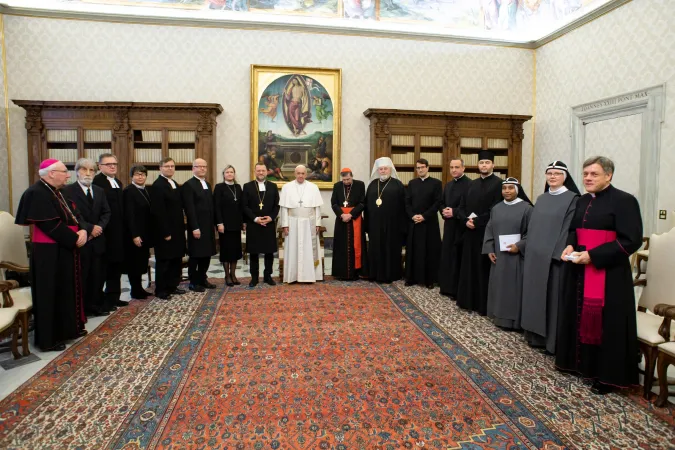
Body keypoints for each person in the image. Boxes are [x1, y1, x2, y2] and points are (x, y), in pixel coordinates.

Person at [556, 156, 643, 395]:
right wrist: (570, 246)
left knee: (607, 323)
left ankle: (607, 376)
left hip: (609, 273)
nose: (588, 178)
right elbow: (574, 229)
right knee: (577, 315)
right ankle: (579, 364)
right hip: (580, 269)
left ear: (609, 175)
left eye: (594, 174)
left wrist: (593, 255)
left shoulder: (625, 201)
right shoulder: (583, 200)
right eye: (585, 174)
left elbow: (631, 240)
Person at [15, 159, 88, 351]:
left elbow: (76, 215)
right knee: (50, 294)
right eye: (64, 171)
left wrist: (82, 231)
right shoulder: (36, 193)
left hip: (65, 248)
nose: (68, 175)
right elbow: (49, 225)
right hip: (49, 252)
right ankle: (49, 339)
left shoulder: (59, 192)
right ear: (51, 173)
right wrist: (74, 238)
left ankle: (67, 330)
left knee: (65, 291)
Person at [521, 161, 580, 353]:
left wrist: (555, 254)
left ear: (565, 176)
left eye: (557, 173)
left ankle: (551, 342)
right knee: (534, 297)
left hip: (552, 259)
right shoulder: (541, 198)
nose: (552, 177)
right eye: (549, 173)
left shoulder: (573, 199)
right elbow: (533, 227)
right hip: (534, 256)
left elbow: (569, 230)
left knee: (551, 300)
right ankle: (534, 336)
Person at [456, 150, 503, 315]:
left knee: (482, 268)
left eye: (487, 163)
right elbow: (461, 207)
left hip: (486, 233)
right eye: (481, 163)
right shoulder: (472, 184)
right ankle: (467, 301)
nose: (484, 165)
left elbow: (495, 209)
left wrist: (476, 222)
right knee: (468, 266)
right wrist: (465, 220)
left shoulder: (499, 184)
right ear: (478, 165)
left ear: (493, 165)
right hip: (469, 232)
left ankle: (482, 304)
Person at [482, 177, 533, 330]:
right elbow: (489, 229)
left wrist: (519, 246)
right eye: (504, 188)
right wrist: (490, 249)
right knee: (498, 286)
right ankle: (498, 317)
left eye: (511, 188)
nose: (507, 191)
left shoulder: (527, 208)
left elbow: (532, 232)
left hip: (517, 257)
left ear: (517, 190)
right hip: (499, 256)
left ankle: (514, 321)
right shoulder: (496, 208)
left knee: (513, 288)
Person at [63, 158, 111, 316]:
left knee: (98, 275)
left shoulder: (99, 190)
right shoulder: (67, 191)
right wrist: (90, 228)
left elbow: (106, 212)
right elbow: (71, 216)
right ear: (76, 172)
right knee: (82, 277)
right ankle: (81, 309)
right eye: (84, 170)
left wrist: (99, 228)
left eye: (91, 170)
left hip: (98, 240)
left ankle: (95, 305)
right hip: (81, 240)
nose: (88, 173)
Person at [364, 157, 407, 283]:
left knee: (390, 249)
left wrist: (402, 227)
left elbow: (404, 206)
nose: (383, 171)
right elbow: (366, 206)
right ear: (378, 170)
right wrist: (367, 225)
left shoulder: (397, 184)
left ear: (390, 169)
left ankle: (391, 274)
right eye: (381, 169)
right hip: (375, 225)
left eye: (385, 169)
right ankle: (374, 274)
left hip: (392, 226)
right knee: (375, 249)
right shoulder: (372, 184)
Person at [149, 157, 187, 300]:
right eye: (167, 166)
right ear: (160, 168)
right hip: (165, 232)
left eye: (172, 166)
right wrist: (165, 232)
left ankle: (172, 285)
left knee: (175, 260)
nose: (170, 168)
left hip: (177, 230)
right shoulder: (158, 185)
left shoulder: (174, 183)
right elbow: (158, 212)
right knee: (164, 261)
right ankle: (161, 290)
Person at [92, 153, 126, 310]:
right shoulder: (96, 183)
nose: (113, 166)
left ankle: (114, 297)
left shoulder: (118, 182)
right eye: (108, 164)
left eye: (115, 164)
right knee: (102, 268)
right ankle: (100, 300)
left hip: (118, 233)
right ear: (100, 166)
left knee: (116, 266)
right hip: (104, 233)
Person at [280, 165, 324, 283]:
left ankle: (309, 276)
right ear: (294, 174)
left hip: (309, 223)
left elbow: (317, 208)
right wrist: (285, 224)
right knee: (293, 250)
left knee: (309, 250)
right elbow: (284, 208)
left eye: (303, 173)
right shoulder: (286, 187)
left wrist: (318, 223)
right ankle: (292, 276)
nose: (300, 175)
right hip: (292, 222)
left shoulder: (313, 187)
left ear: (306, 174)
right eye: (298, 173)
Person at [404, 159, 442, 288]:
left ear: (428, 168)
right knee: (413, 250)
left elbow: (437, 203)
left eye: (422, 167)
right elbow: (407, 202)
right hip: (414, 222)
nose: (420, 170)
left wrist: (424, 216)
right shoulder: (412, 183)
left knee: (429, 251)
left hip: (429, 223)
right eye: (418, 168)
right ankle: (411, 278)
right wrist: (413, 215)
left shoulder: (436, 183)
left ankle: (429, 280)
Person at [242, 162, 280, 287]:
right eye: (258, 170)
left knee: (269, 251)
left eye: (263, 170)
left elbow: (276, 205)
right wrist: (255, 218)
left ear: (267, 171)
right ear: (255, 171)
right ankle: (254, 277)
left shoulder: (273, 186)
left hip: (268, 223)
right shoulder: (247, 186)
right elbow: (245, 206)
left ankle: (268, 276)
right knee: (254, 252)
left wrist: (271, 217)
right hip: (254, 224)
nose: (261, 173)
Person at [182, 158, 217, 292]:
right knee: (196, 255)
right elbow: (189, 209)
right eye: (199, 166)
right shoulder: (188, 185)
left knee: (206, 254)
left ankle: (203, 278)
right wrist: (195, 227)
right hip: (196, 227)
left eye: (204, 167)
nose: (202, 169)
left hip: (208, 227)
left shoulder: (207, 184)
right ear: (193, 169)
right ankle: (193, 281)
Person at [438, 159, 471, 298]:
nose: (454, 170)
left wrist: (455, 212)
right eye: (451, 167)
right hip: (449, 225)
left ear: (463, 168)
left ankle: (457, 290)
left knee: (458, 257)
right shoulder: (449, 184)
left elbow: (469, 206)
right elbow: (442, 202)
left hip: (461, 226)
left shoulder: (470, 184)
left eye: (457, 167)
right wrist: (443, 211)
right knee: (447, 255)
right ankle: (446, 287)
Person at [123, 164, 154, 300]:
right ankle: (134, 290)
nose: (140, 177)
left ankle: (139, 288)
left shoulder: (146, 190)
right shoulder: (129, 191)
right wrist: (134, 235)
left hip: (146, 232)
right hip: (135, 235)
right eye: (137, 174)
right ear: (132, 176)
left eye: (142, 174)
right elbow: (129, 215)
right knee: (134, 263)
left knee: (141, 261)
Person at [330, 168, 368, 280]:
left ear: (352, 176)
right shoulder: (337, 186)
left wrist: (351, 214)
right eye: (344, 180)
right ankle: (341, 273)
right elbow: (334, 203)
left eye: (348, 179)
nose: (346, 182)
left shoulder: (360, 185)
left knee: (356, 245)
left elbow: (362, 203)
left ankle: (356, 272)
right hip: (341, 219)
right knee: (341, 245)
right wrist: (342, 215)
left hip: (355, 219)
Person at [214, 165, 244, 287]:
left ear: (234, 174)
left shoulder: (238, 187)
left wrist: (243, 222)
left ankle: (233, 274)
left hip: (236, 225)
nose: (230, 174)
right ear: (224, 174)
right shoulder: (219, 187)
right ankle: (227, 275)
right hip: (224, 225)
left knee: (236, 251)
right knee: (226, 251)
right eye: (227, 172)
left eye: (232, 172)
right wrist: (219, 223)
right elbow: (216, 207)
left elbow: (242, 206)